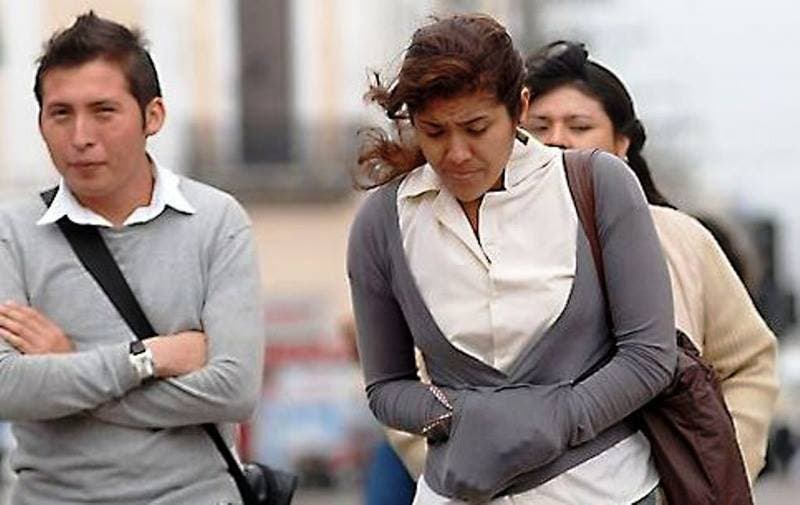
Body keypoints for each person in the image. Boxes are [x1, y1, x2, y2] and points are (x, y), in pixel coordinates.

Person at [348, 14, 677, 504]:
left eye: (476, 128)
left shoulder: (597, 185)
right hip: (457, 493)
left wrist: (554, 418)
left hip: (607, 491)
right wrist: (463, 416)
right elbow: (386, 387)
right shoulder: (384, 221)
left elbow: (649, 356)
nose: (457, 153)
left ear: (519, 107)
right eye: (434, 131)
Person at [0, 12, 265, 504]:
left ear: (152, 116)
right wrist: (146, 358)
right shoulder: (10, 232)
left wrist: (67, 370)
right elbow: (7, 388)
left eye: (104, 111)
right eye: (61, 113)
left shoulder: (216, 220)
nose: (81, 136)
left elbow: (234, 390)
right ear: (40, 123)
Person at [521, 40, 779, 482]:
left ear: (621, 143)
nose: (557, 139)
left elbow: (749, 362)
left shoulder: (680, 239)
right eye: (539, 126)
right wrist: (454, 468)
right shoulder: (474, 237)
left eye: (579, 126)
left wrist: (720, 471)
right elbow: (419, 373)